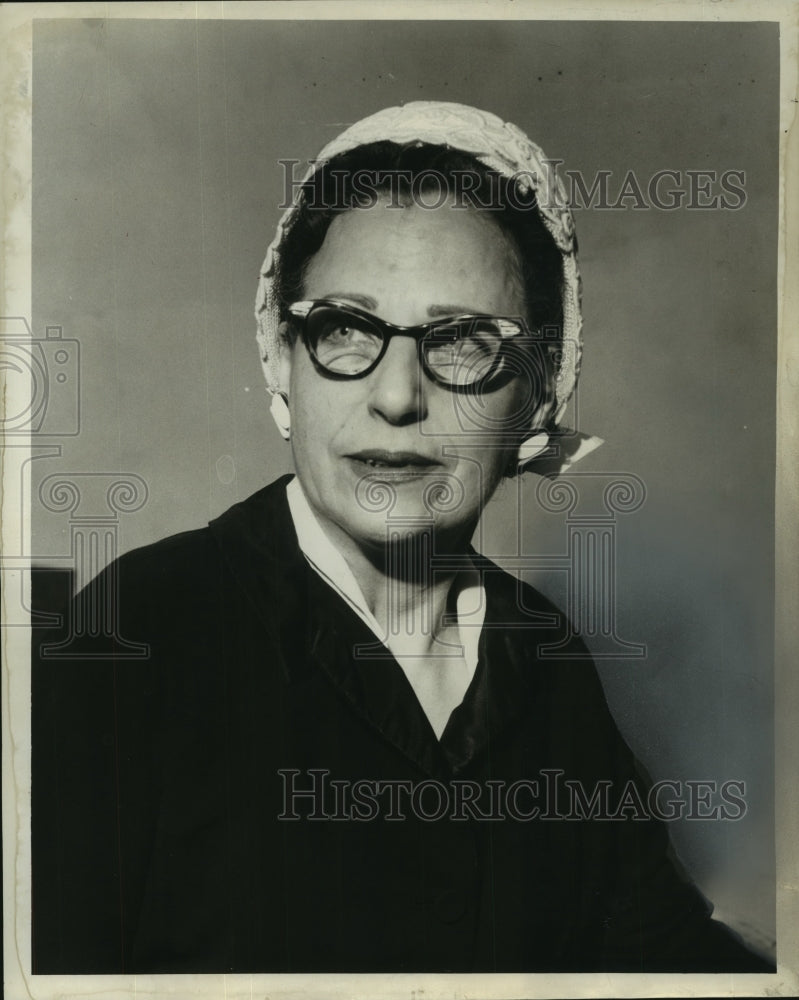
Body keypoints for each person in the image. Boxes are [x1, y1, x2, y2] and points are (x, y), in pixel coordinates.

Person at [31, 101, 771, 974]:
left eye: (460, 343)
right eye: (346, 328)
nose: (396, 396)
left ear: (537, 393)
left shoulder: (540, 658)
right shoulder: (137, 631)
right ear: (279, 355)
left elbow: (664, 962)